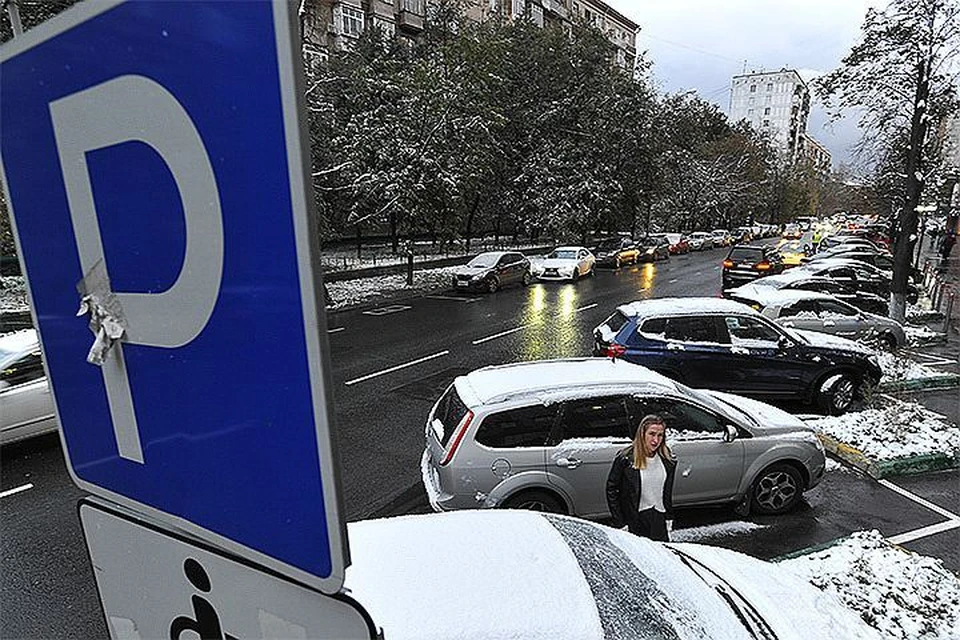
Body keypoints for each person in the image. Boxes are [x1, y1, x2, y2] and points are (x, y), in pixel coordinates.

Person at [606, 414, 676, 541]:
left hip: (659, 519)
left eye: (660, 435)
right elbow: (612, 490)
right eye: (652, 434)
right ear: (642, 434)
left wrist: (668, 519)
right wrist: (620, 523)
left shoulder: (667, 460)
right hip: (635, 520)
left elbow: (666, 493)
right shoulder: (626, 458)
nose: (656, 440)